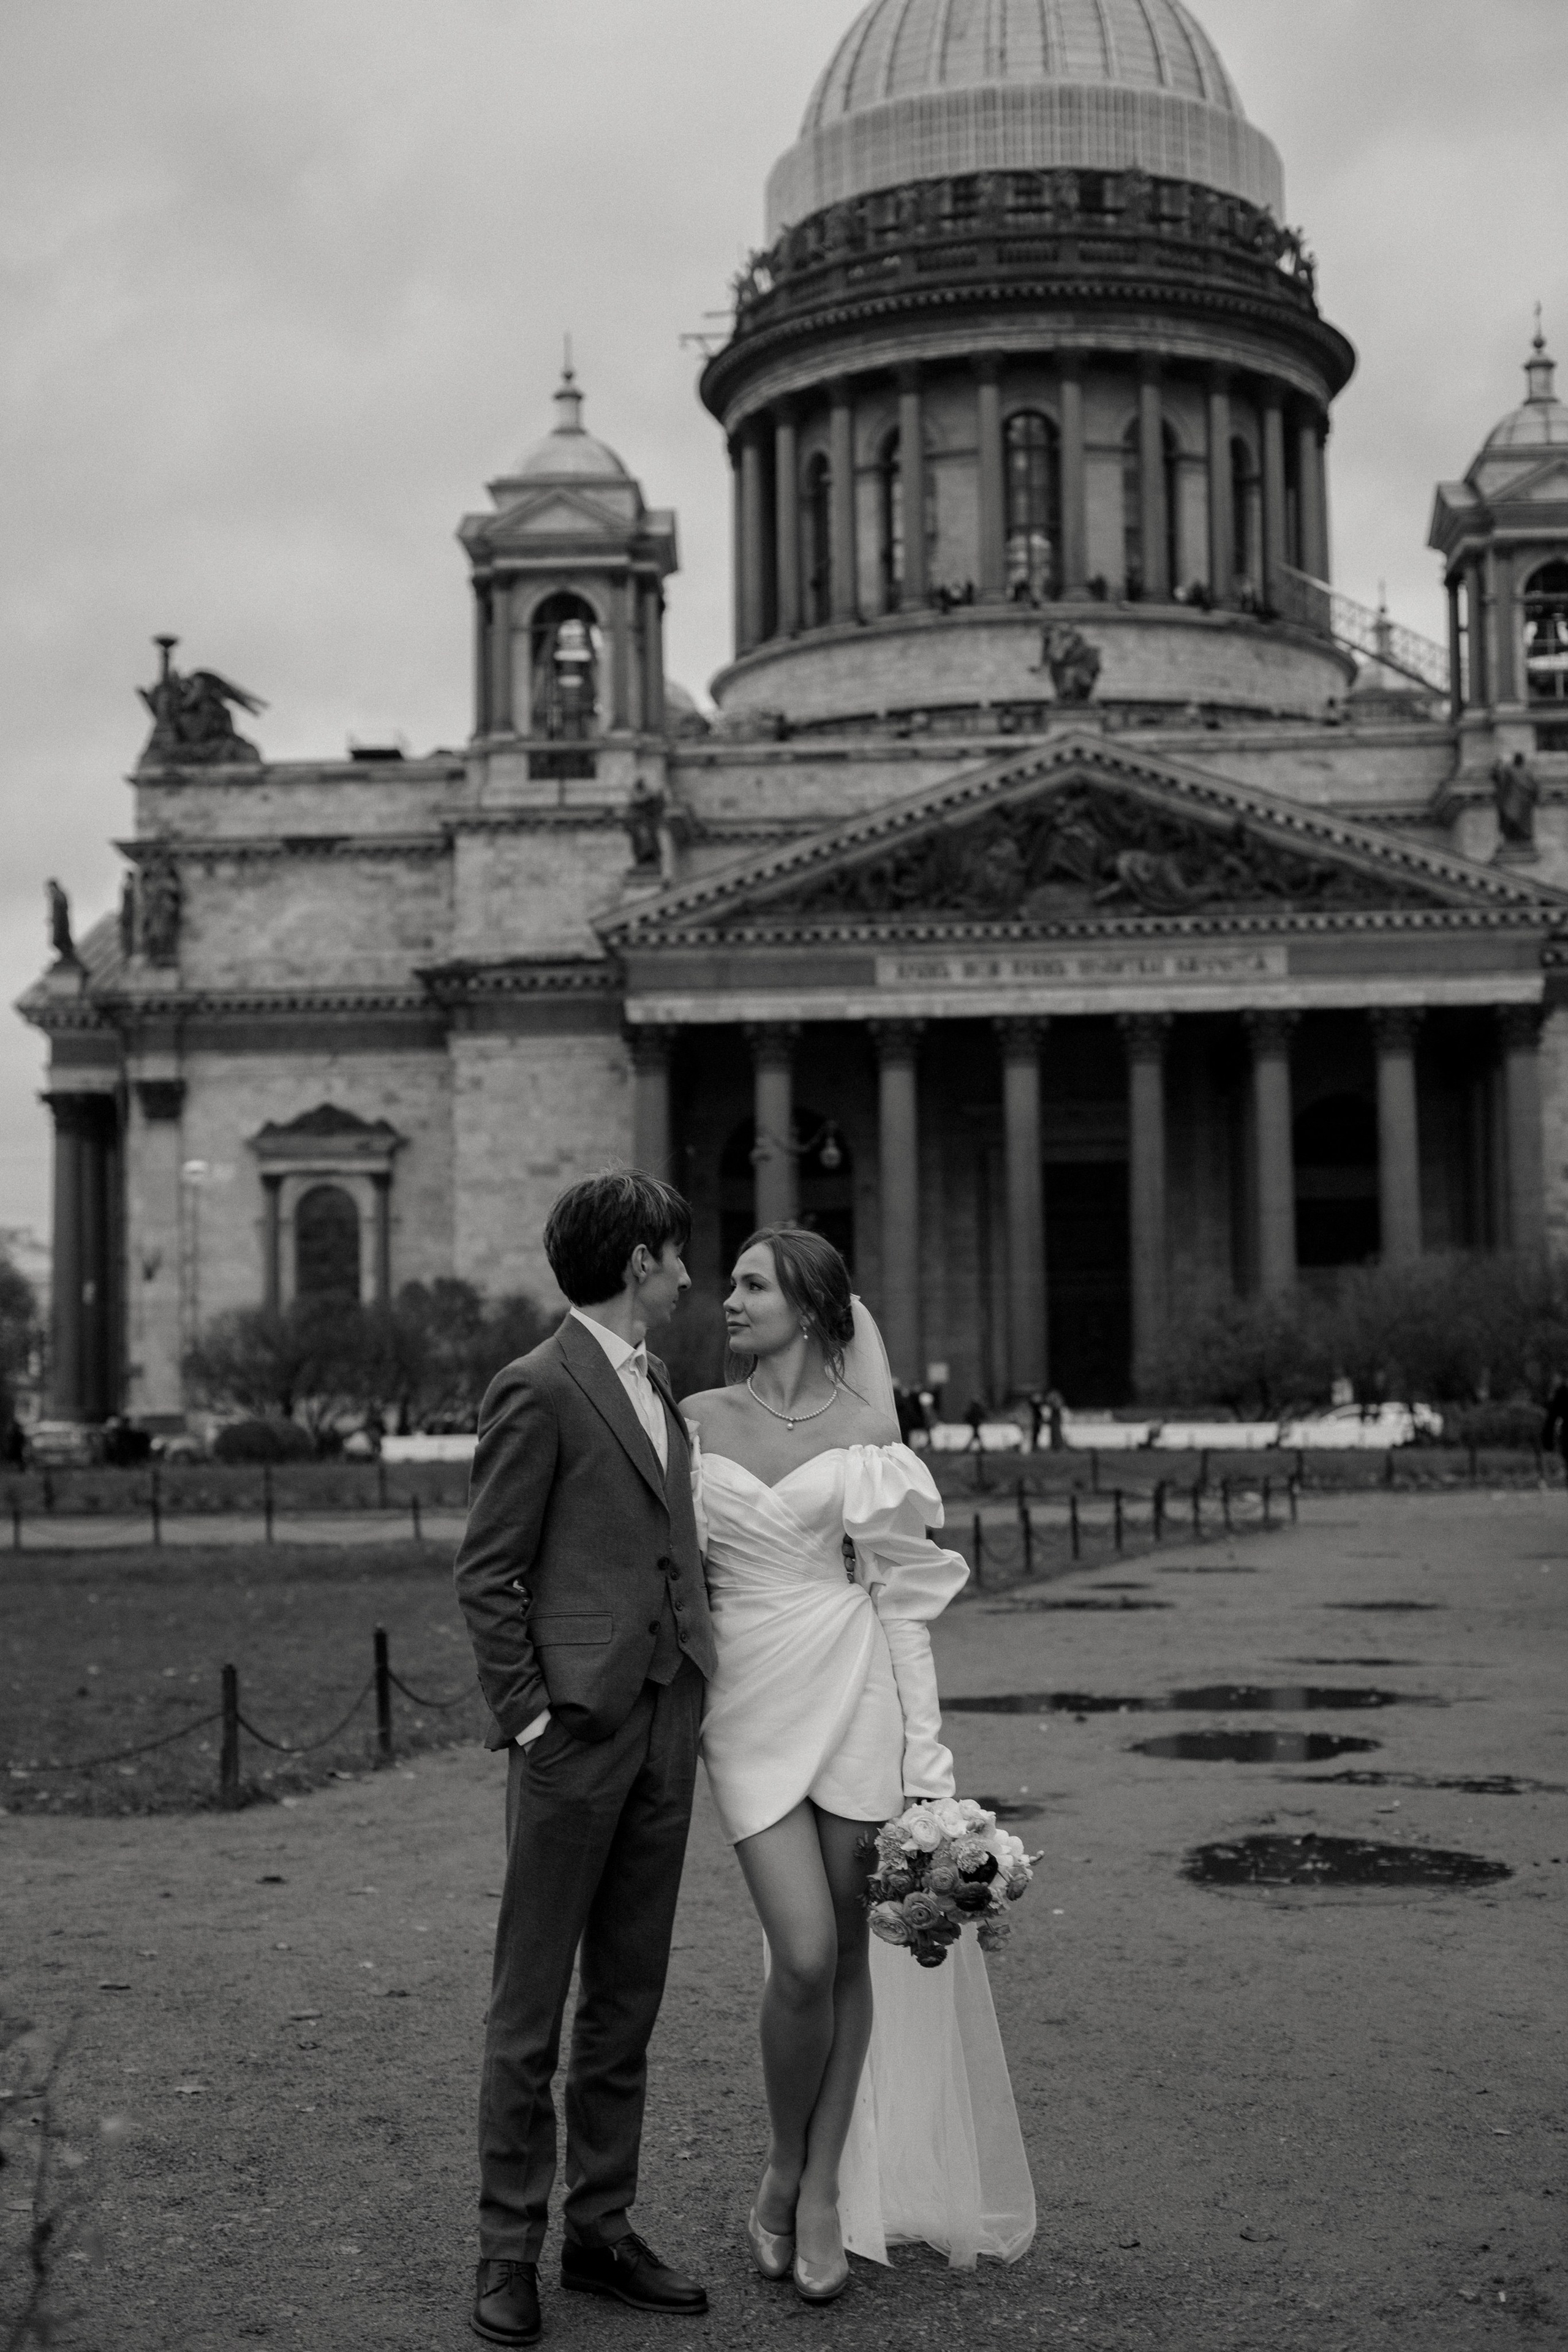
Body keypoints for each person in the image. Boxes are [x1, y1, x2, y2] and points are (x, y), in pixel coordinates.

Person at [682, 1228, 1034, 2305]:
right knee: (798, 1956)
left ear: (810, 1304)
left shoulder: (873, 1439)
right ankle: (786, 2163)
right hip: (745, 1700)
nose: (729, 1299)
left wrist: (931, 1774)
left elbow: (905, 1605)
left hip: (856, 1688)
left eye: (752, 1284)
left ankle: (819, 2188)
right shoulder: (693, 1422)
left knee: (846, 1959)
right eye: (733, 1283)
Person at [453, 1170, 717, 2348]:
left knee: (628, 1996)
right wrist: (529, 1718)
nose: (688, 1272)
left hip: (664, 1725)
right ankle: (506, 2249)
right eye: (674, 1253)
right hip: (572, 1734)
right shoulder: (538, 1386)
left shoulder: (658, 1381)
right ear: (635, 1261)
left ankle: (601, 2231)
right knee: (530, 2003)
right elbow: (487, 1571)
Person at [1544, 1375, 1568, 1483]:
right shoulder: (1562, 1392)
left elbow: (1552, 1417)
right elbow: (1552, 1417)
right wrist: (1548, 1441)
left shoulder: (1562, 1391)